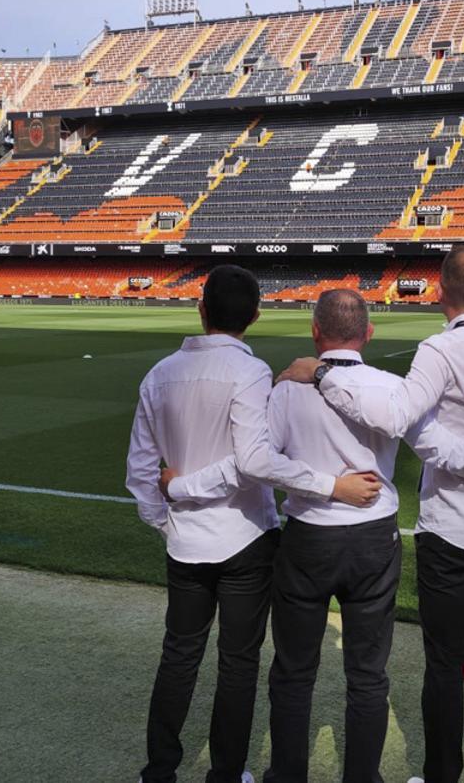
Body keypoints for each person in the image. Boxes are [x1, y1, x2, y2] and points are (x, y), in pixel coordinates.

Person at [167, 288, 464, 783]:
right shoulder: (391, 388)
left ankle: (287, 775)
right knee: (367, 677)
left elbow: (261, 463)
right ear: (368, 333)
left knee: (294, 673)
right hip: (372, 541)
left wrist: (321, 484)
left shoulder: (286, 389)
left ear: (314, 332)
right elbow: (431, 444)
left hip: (308, 539)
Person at [280, 245, 464, 783]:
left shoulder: (437, 349)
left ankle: (442, 776)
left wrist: (322, 376)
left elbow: (401, 422)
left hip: (451, 533)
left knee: (442, 663)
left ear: (439, 294)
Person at [124, 265, 382, 783]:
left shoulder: (159, 374)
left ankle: (159, 771)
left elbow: (138, 470)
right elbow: (251, 463)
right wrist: (181, 491)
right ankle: (226, 773)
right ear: (256, 316)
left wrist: (169, 517)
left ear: (201, 310)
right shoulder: (251, 373)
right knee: (238, 662)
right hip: (245, 537)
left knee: (179, 655)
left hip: (187, 541)